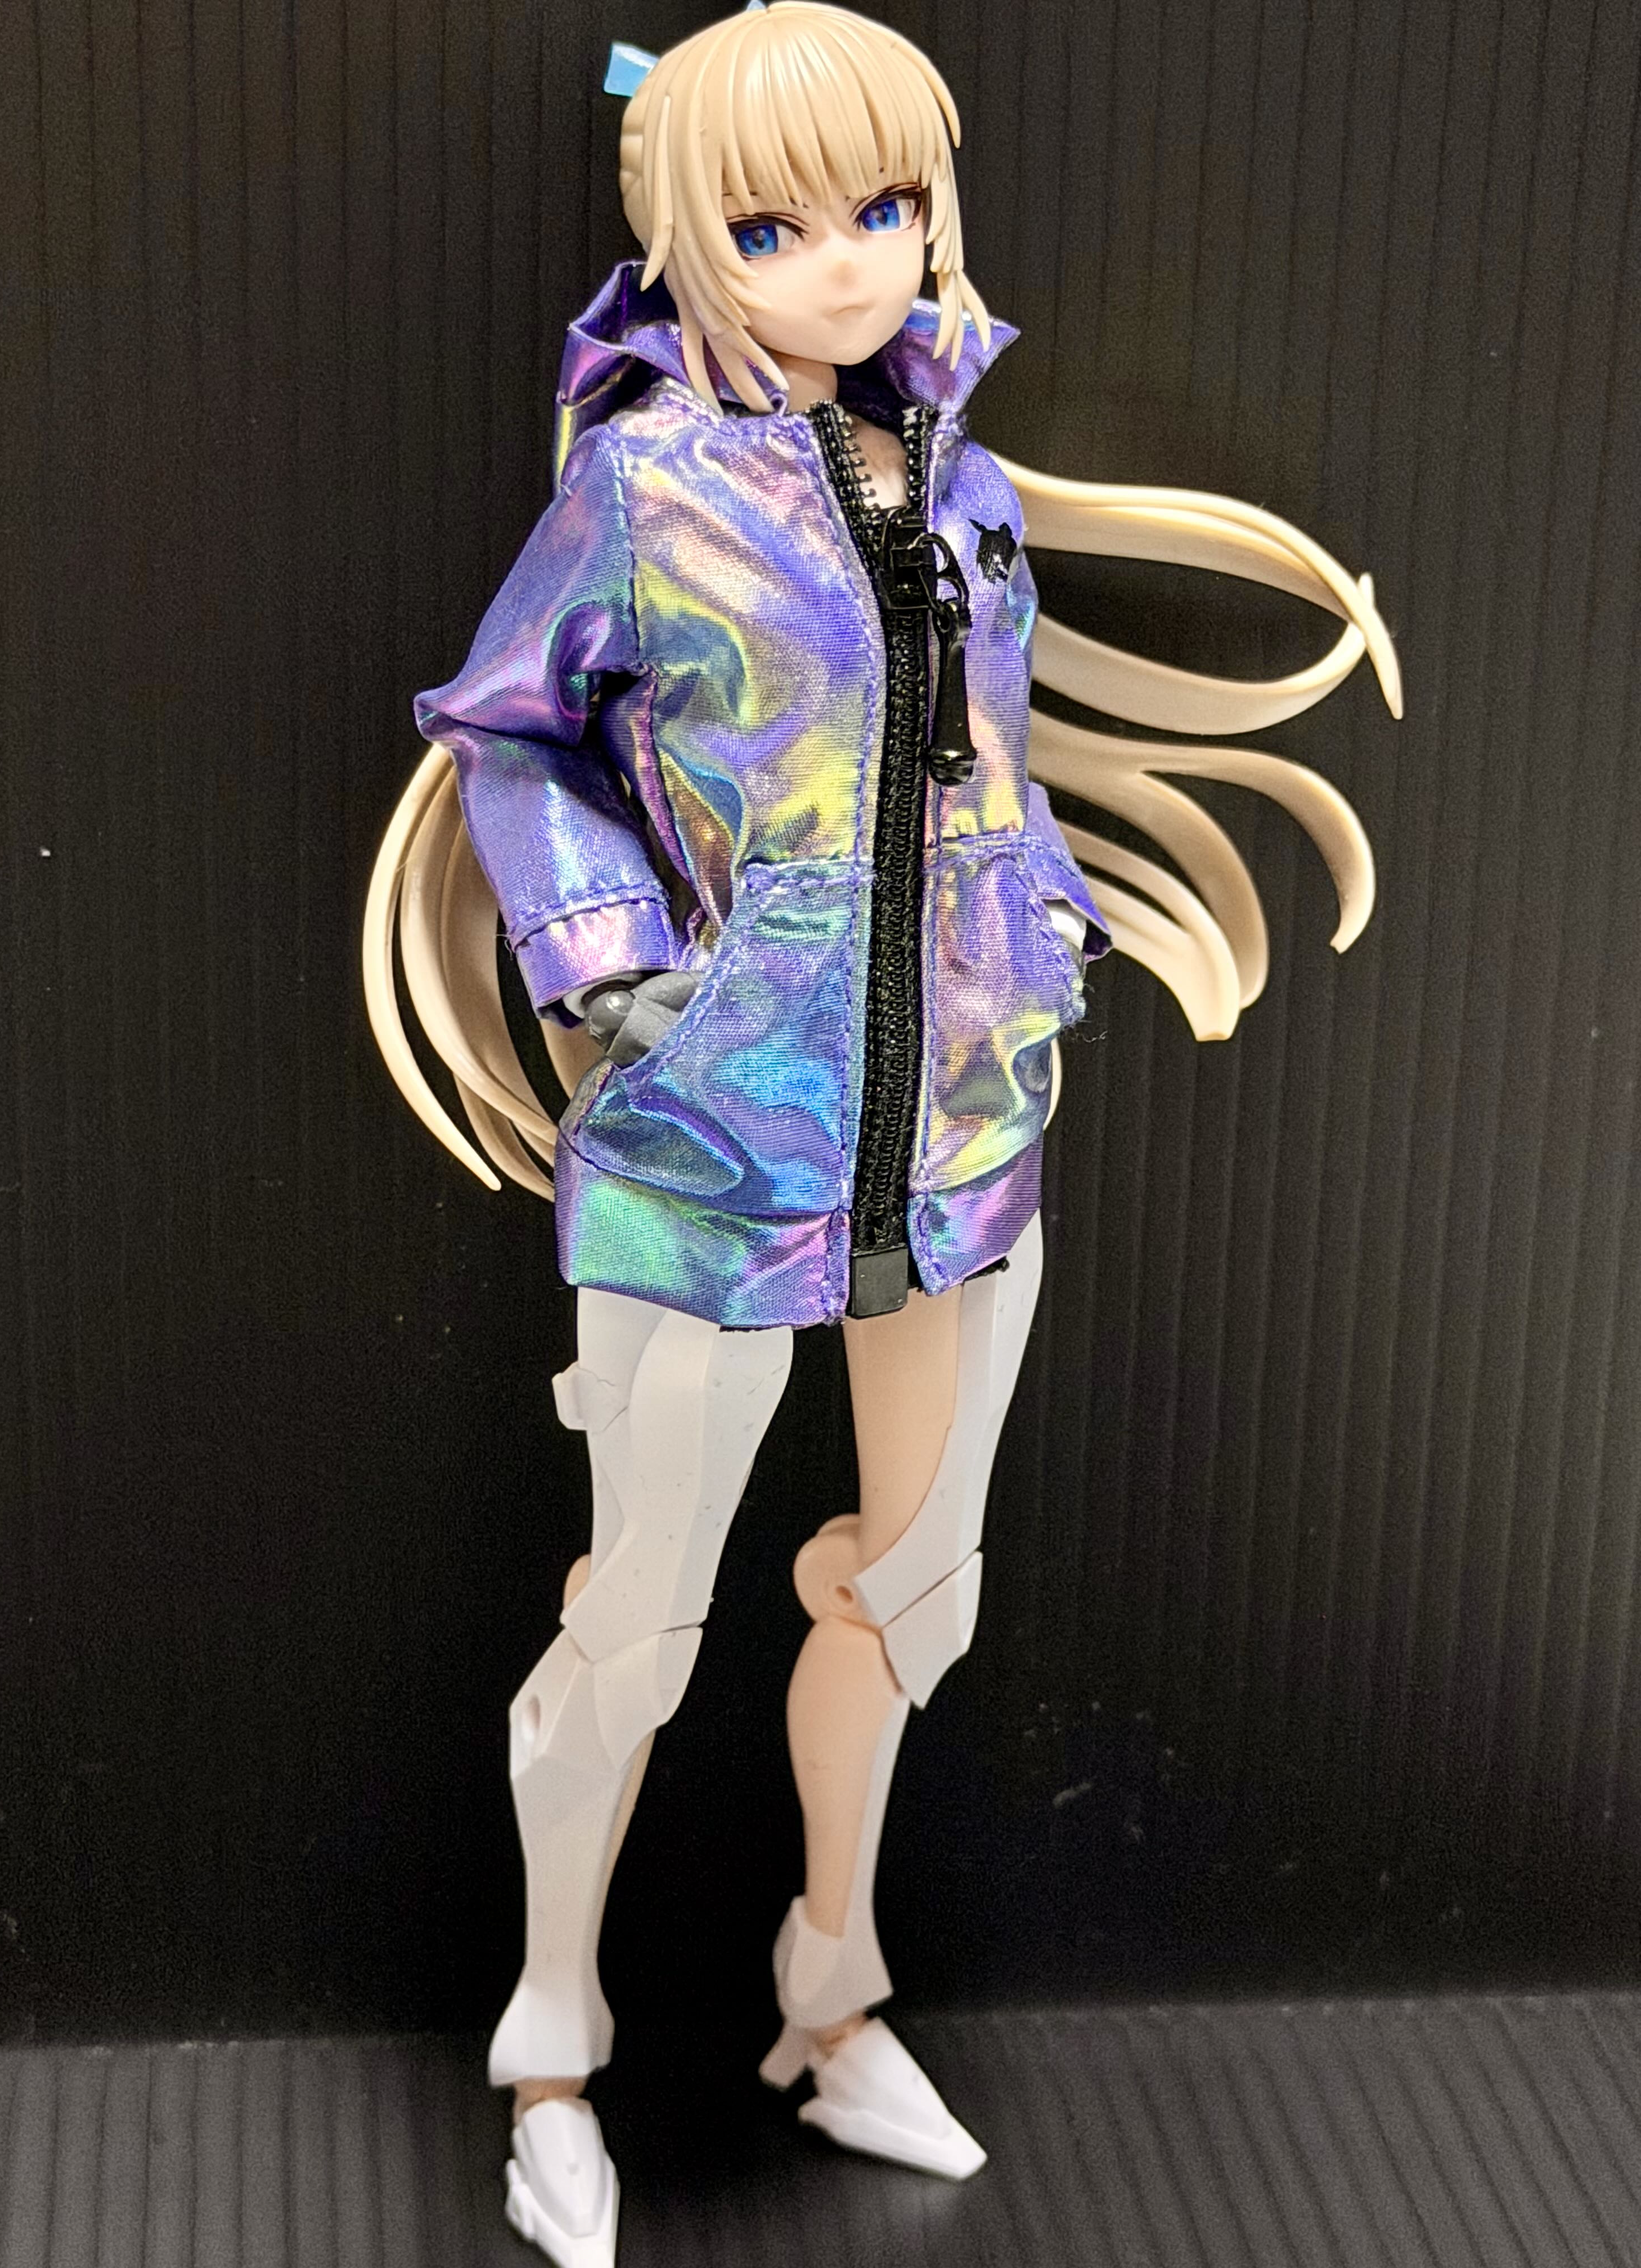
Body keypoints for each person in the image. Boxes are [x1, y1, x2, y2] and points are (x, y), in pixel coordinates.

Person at [370, 8, 1397, 2262]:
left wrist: (1040, 931)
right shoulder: (643, 491)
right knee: (636, 1626)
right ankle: (551, 2048)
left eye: (889, 206)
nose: (848, 260)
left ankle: (831, 1994)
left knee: (917, 1591)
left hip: (961, 1130)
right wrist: (609, 965)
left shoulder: (968, 487)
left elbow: (983, 759)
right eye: (773, 225)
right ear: (684, 236)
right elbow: (508, 735)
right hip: (711, 1144)